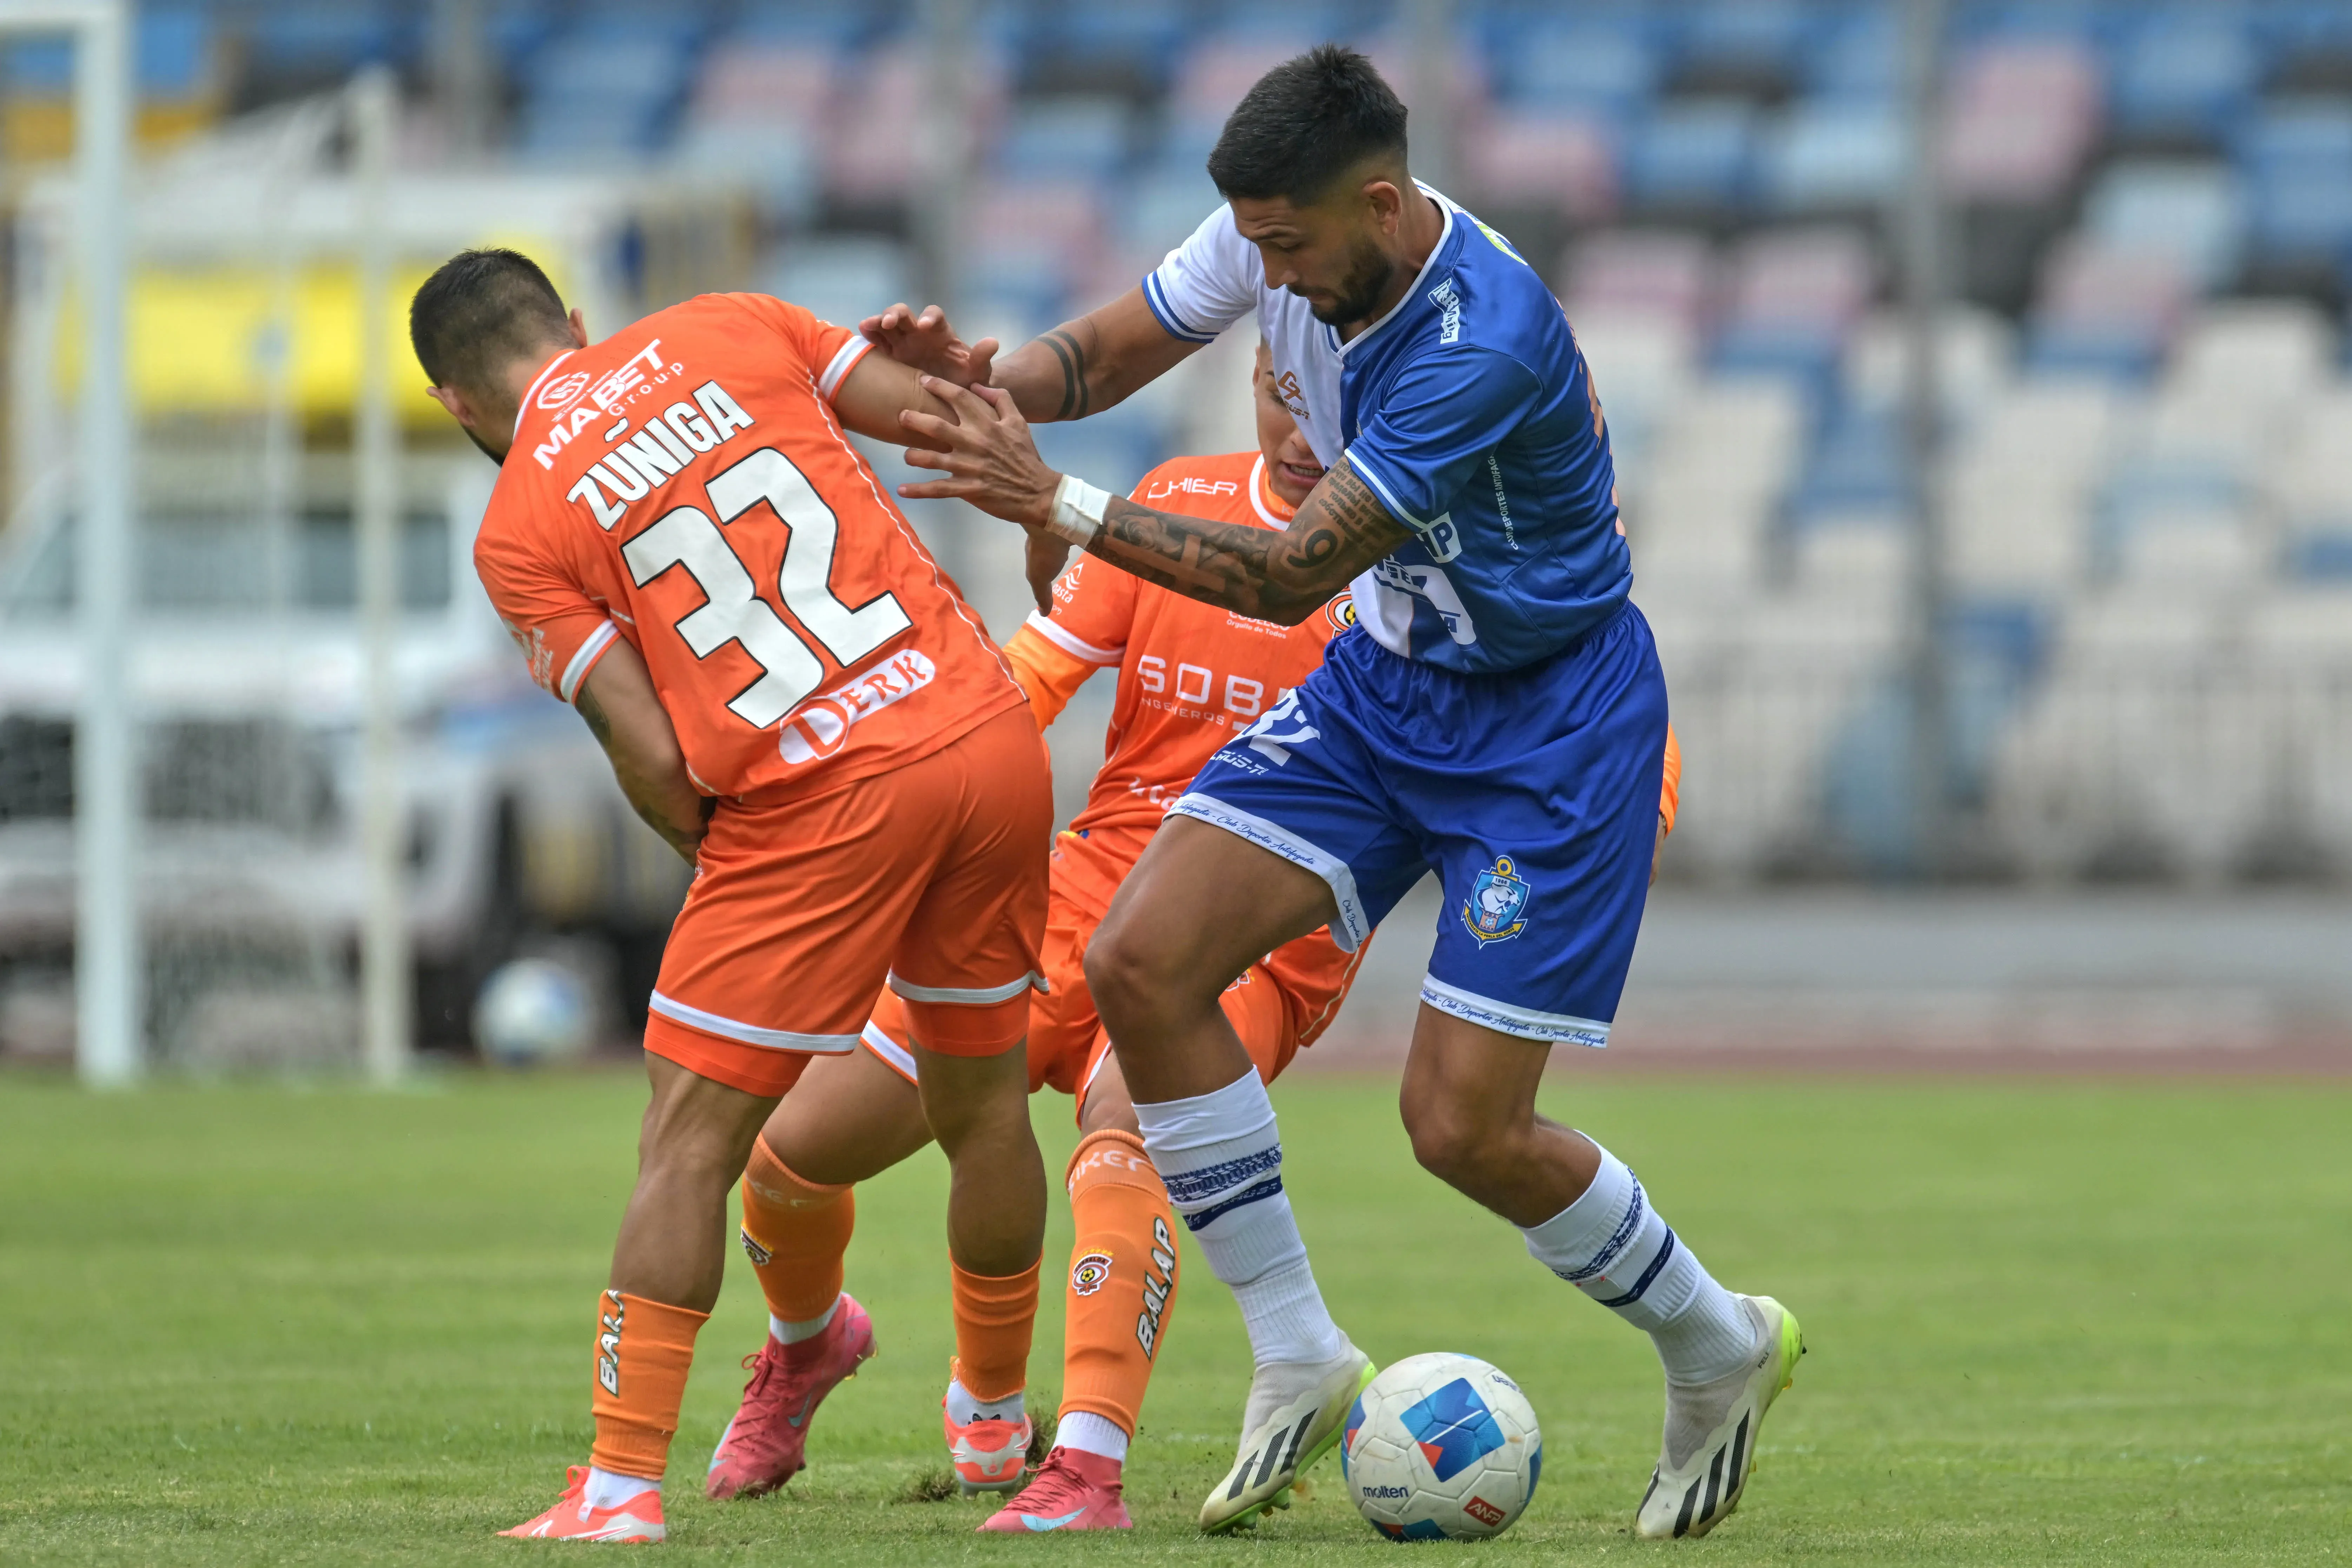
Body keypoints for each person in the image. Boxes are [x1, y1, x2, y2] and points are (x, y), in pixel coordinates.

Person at [869, 47, 1802, 1542]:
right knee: (1138, 960)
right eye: (1253, 242)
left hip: (1546, 732)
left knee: (1461, 1130)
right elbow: (1097, 359)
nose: (1267, 274)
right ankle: (1300, 1348)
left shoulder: (1477, 341)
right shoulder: (1275, 233)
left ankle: (1717, 1342)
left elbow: (1296, 565)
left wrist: (1053, 501)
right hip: (1386, 691)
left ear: (1380, 204)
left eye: (1290, 246)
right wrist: (968, 387)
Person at [703, 346, 1684, 1534]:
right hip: (1076, 903)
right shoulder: (1173, 508)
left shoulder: (1437, 564)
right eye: (1275, 387)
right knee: (790, 1160)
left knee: (1127, 1127)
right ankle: (806, 1351)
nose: (1292, 419)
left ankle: (1085, 1465)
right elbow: (1026, 683)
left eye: (1318, 397)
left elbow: (1595, 741)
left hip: (1266, 946)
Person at [410, 249, 1053, 1545]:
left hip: (817, 786)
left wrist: (745, 870)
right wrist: (976, 392)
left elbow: (647, 751)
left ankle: (617, 1489)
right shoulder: (729, 321)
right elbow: (952, 418)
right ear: (576, 324)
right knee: (982, 1105)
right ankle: (991, 1426)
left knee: (686, 1142)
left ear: (455, 406)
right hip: (982, 730)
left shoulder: (519, 522)